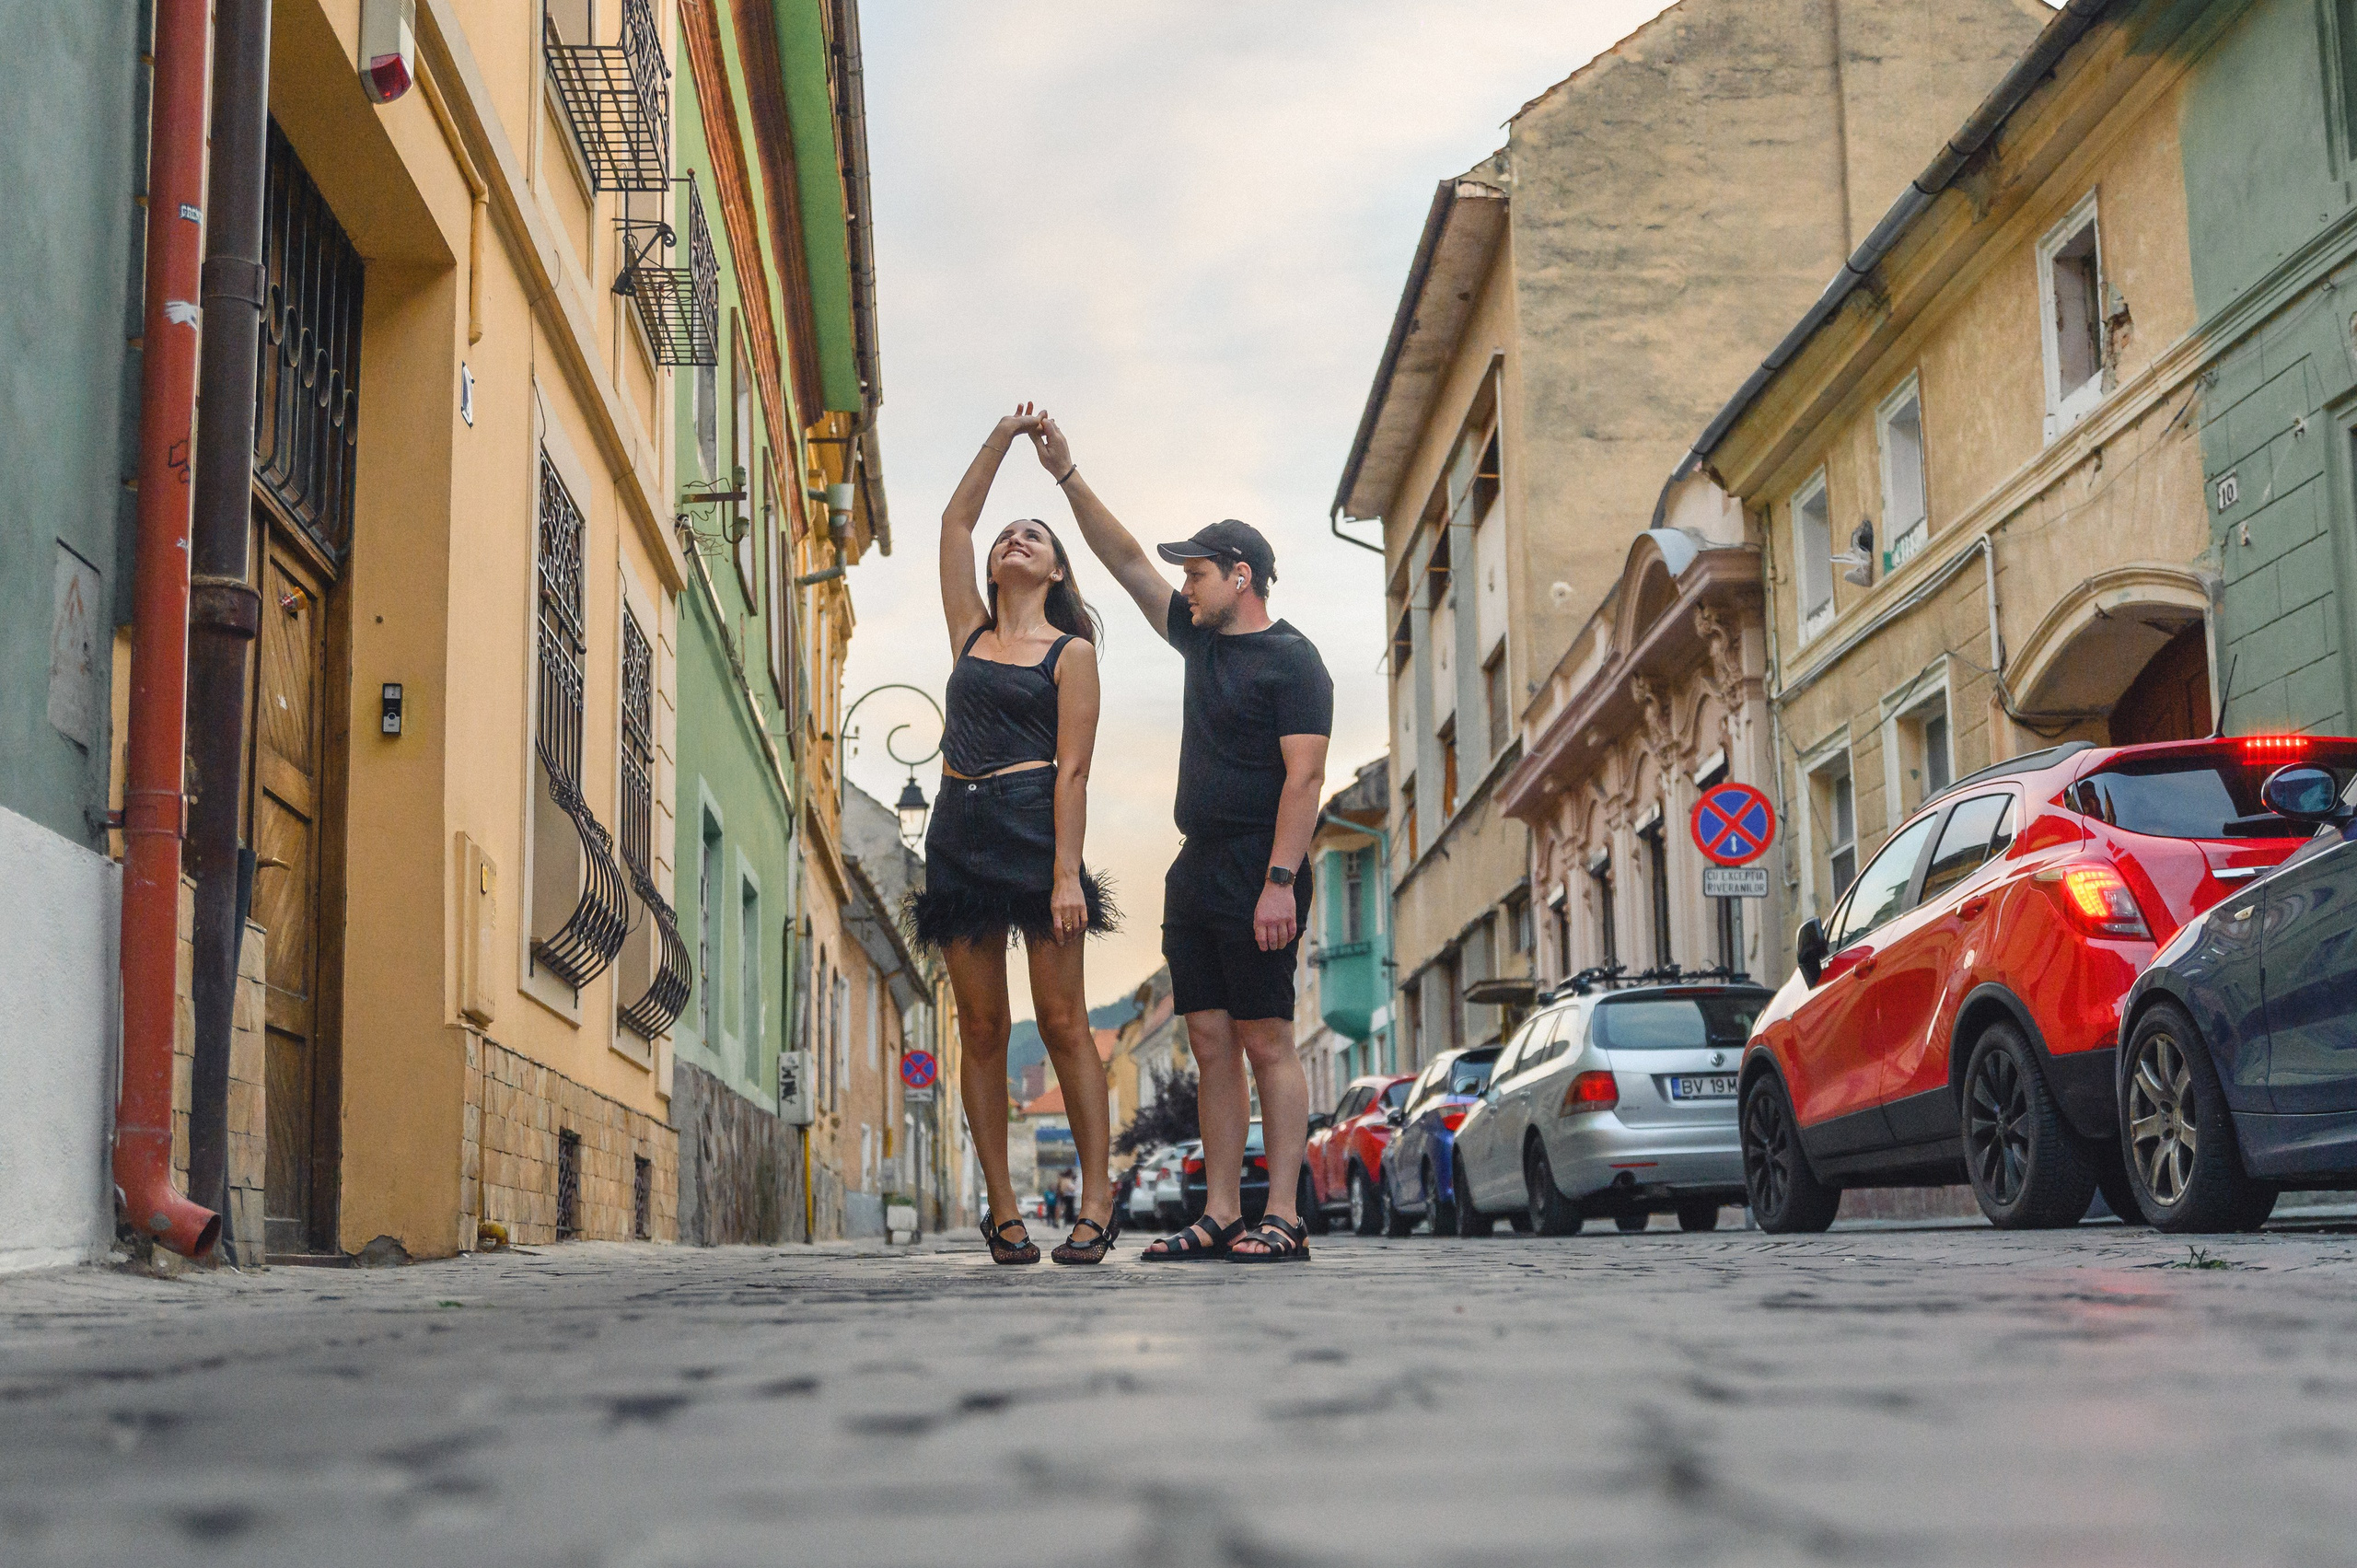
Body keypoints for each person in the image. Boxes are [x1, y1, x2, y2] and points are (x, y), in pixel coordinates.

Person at [1028, 412, 1331, 1261]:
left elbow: (1304, 780)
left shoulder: (1295, 661)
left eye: (1197, 572)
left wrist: (1280, 880)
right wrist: (1067, 474)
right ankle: (1223, 1211)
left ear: (1242, 576)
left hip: (1258, 865)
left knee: (1267, 1035)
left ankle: (1285, 1214)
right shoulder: (1201, 643)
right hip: (1195, 866)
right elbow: (1125, 561)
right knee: (1206, 1039)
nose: (1185, 586)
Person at [907, 405, 1119, 1267]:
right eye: (1007, 537)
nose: (1011, 540)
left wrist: (1067, 874)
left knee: (1064, 1021)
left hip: (1037, 841)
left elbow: (1073, 770)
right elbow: (955, 521)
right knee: (983, 1028)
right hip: (958, 832)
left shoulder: (1070, 652)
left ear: (1058, 565)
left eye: (1032, 534)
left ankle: (1097, 1204)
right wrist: (1002, 440)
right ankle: (1002, 1209)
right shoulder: (970, 630)